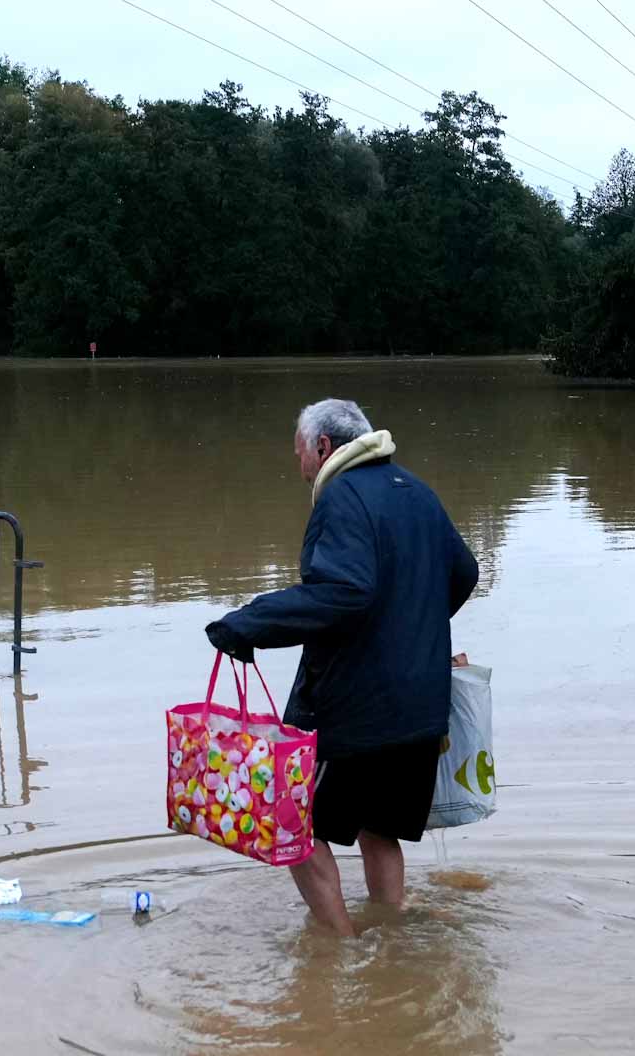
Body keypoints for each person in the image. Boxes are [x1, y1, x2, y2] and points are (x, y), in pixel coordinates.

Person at [206, 398, 479, 936]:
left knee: (292, 822)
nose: (299, 465)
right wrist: (411, 633)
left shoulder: (342, 499)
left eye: (299, 453)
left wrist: (249, 623)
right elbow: (463, 572)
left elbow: (344, 592)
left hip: (359, 711)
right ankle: (394, 943)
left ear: (323, 447)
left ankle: (340, 946)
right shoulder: (416, 491)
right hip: (424, 707)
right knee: (381, 828)